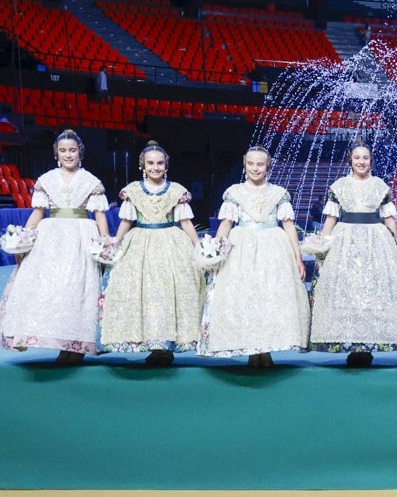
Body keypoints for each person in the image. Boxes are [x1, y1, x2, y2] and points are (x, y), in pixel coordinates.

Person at [0, 129, 109, 364]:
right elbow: (37, 213)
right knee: (55, 288)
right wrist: (24, 237)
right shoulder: (47, 180)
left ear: (80, 152)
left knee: (78, 289)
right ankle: (61, 343)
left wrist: (105, 241)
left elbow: (100, 215)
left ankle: (77, 346)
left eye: (72, 150)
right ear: (56, 153)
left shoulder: (91, 182)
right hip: (52, 239)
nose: (68, 154)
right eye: (63, 150)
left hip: (81, 236)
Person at [198, 146, 310, 367]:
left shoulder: (278, 193)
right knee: (245, 297)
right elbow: (226, 224)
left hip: (273, 248)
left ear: (268, 166)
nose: (255, 168)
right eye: (251, 164)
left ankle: (266, 350)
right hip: (241, 247)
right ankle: (251, 350)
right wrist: (216, 251)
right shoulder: (234, 193)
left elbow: (289, 226)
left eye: (260, 164)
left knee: (270, 297)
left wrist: (298, 257)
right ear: (244, 165)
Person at [309, 141, 397, 366]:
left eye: (365, 158)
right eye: (357, 158)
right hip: (345, 240)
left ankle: (369, 343)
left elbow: (388, 218)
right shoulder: (339, 186)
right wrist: (322, 246)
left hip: (375, 240)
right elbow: (331, 219)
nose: (361, 162)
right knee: (348, 289)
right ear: (351, 160)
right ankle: (350, 342)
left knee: (373, 288)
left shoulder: (380, 186)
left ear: (371, 161)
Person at [100, 141, 204, 365]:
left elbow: (185, 221)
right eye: (150, 163)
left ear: (166, 165)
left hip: (170, 243)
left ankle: (165, 345)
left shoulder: (176, 191)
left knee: (168, 293)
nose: (155, 167)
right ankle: (148, 340)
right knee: (143, 292)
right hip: (140, 243)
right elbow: (127, 220)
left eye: (159, 163)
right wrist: (115, 243)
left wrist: (198, 246)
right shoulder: (133, 191)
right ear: (142, 166)